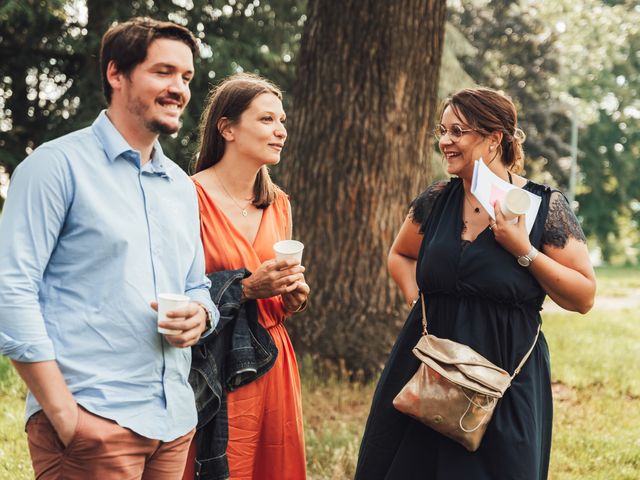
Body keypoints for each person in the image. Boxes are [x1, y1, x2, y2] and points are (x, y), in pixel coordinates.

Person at [0, 17, 218, 479]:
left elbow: (196, 285)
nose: (179, 88)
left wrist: (201, 315)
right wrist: (66, 417)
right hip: (91, 423)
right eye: (163, 72)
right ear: (116, 74)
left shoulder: (180, 187)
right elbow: (11, 291)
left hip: (173, 425)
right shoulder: (53, 167)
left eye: (186, 77)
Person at [355, 87, 596, 480]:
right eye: (443, 130)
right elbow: (400, 255)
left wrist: (524, 250)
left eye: (458, 132)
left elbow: (584, 295)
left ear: (493, 139)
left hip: (504, 377)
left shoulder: (542, 207)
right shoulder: (436, 200)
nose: (444, 141)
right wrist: (421, 306)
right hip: (427, 371)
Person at [182, 73, 309, 480]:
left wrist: (293, 296)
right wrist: (248, 288)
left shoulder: (279, 204)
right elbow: (173, 287)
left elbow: (281, 297)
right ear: (227, 128)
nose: (281, 131)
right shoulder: (187, 197)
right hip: (211, 360)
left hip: (272, 358)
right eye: (267, 120)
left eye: (282, 120)